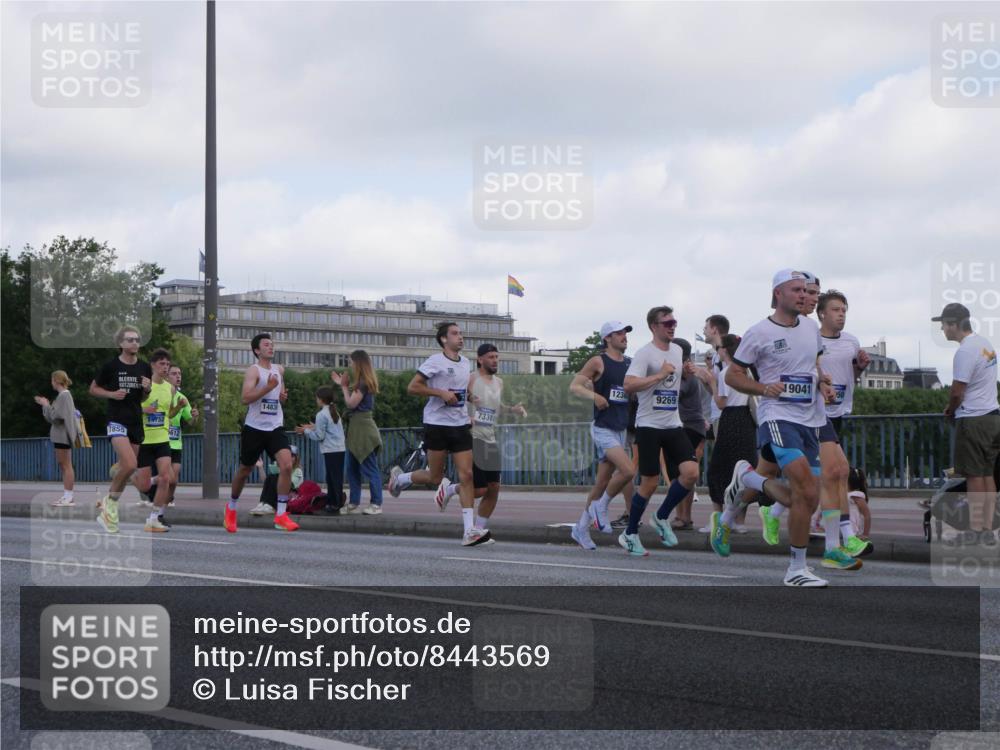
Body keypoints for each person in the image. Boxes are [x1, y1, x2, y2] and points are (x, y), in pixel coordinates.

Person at [716, 269, 835, 586]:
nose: (802, 294)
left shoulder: (811, 328)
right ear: (778, 294)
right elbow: (733, 376)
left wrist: (824, 383)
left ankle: (747, 478)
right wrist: (762, 388)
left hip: (810, 419)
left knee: (807, 498)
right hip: (777, 417)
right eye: (795, 289)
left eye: (804, 290)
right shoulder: (759, 333)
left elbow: (814, 364)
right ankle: (796, 569)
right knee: (806, 491)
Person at [389, 322, 490, 546]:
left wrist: (472, 398)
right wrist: (440, 393)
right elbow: (413, 387)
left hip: (460, 425)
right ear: (444, 339)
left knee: (467, 476)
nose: (461, 337)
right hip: (436, 424)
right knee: (435, 477)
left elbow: (461, 390)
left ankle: (469, 531)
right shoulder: (435, 361)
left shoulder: (465, 363)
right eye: (455, 334)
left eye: (461, 333)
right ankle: (401, 479)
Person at [619, 306, 700, 556]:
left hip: (673, 423)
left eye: (674, 322)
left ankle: (661, 516)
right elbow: (628, 385)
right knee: (650, 482)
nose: (672, 326)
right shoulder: (645, 354)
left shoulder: (677, 350)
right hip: (649, 425)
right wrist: (659, 375)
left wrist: (684, 374)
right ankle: (630, 534)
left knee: (691, 473)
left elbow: (673, 382)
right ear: (654, 326)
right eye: (667, 323)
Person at [439, 343, 527, 538]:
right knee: (478, 489)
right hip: (472, 437)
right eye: (490, 357)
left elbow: (495, 407)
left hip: (490, 437)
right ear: (480, 359)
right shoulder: (471, 378)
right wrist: (466, 417)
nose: (495, 360)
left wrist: (512, 409)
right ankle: (451, 489)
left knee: (494, 488)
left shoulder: (499, 382)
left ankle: (478, 528)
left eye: (497, 357)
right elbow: (456, 400)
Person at [935, 302, 1000, 544]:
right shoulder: (985, 344)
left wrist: (951, 410)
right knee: (987, 474)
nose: (942, 330)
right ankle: (988, 528)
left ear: (953, 325)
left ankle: (976, 529)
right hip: (993, 417)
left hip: (973, 418)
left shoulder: (965, 351)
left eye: (943, 325)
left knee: (973, 476)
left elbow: (957, 391)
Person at [568, 322, 635, 550]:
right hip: (603, 426)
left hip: (621, 427)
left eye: (626, 332)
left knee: (602, 482)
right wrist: (594, 397)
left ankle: (581, 529)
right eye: (619, 333)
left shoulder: (629, 363)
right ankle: (601, 507)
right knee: (628, 470)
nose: (624, 336)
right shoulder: (598, 361)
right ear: (608, 338)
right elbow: (575, 386)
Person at [225, 333, 299, 533]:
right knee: (245, 470)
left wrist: (282, 395)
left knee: (286, 465)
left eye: (272, 344)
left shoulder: (279, 369)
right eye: (266, 345)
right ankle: (231, 508)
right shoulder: (253, 371)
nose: (271, 347)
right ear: (257, 350)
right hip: (255, 428)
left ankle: (281, 515)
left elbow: (280, 394)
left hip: (275, 426)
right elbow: (245, 398)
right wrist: (267, 388)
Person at [90, 326, 152, 534]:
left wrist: (147, 389)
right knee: (131, 463)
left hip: (135, 421)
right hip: (116, 420)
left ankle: (109, 509)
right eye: (130, 340)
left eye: (137, 339)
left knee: (127, 469)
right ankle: (110, 505)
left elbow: (142, 397)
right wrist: (111, 394)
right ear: (121, 344)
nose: (135, 343)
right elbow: (93, 389)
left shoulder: (144, 367)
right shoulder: (111, 366)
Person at [704, 334, 758, 532]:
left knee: (719, 469)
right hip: (747, 421)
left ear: (724, 350)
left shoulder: (727, 372)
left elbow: (721, 402)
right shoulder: (747, 370)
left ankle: (718, 519)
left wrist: (711, 382)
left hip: (730, 419)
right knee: (744, 468)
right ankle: (739, 521)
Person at [131, 349, 183, 532]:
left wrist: (176, 411)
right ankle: (127, 474)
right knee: (145, 485)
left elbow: (167, 413)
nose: (165, 367)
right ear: (152, 365)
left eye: (167, 364)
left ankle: (153, 519)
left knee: (166, 478)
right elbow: (130, 408)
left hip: (162, 440)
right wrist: (145, 411)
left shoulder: (170, 388)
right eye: (162, 364)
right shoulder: (144, 385)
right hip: (144, 440)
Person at [666, 337, 711, 531]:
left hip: (687, 427)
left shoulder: (686, 373)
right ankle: (685, 516)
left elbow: (675, 394)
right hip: (691, 427)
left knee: (679, 473)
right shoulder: (685, 371)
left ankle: (682, 516)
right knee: (686, 473)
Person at [334, 350, 383, 515]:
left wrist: (343, 387)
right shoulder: (363, 382)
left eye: (351, 362)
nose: (350, 365)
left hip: (362, 430)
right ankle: (354, 502)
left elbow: (351, 403)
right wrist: (344, 385)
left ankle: (376, 504)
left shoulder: (363, 383)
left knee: (370, 468)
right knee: (352, 468)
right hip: (357, 430)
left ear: (358, 363)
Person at [296, 385, 346, 514]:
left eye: (317, 398)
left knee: (331, 478)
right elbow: (330, 430)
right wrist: (314, 427)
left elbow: (320, 436)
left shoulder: (321, 414)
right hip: (339, 449)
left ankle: (333, 504)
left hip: (330, 450)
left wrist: (306, 431)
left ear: (321, 399)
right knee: (336, 477)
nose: (316, 400)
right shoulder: (334, 411)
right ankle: (336, 501)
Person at [35, 370, 78, 506]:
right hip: (62, 435)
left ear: (57, 381)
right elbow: (53, 417)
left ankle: (68, 497)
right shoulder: (63, 396)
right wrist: (47, 405)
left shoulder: (64, 396)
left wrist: (45, 405)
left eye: (52, 380)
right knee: (64, 465)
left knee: (66, 465)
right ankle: (67, 496)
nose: (51, 383)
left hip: (62, 436)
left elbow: (55, 417)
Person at [254, 445, 305, 513]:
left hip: (288, 497)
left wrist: (282, 473)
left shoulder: (298, 471)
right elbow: (266, 482)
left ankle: (270, 505)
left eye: (292, 456)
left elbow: (289, 485)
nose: (289, 458)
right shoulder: (279, 468)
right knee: (271, 477)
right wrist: (260, 467)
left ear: (296, 458)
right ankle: (263, 503)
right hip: (279, 495)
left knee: (276, 477)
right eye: (287, 456)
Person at [847, 466, 872, 540]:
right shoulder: (844, 494)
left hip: (853, 529)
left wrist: (865, 534)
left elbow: (867, 515)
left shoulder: (855, 495)